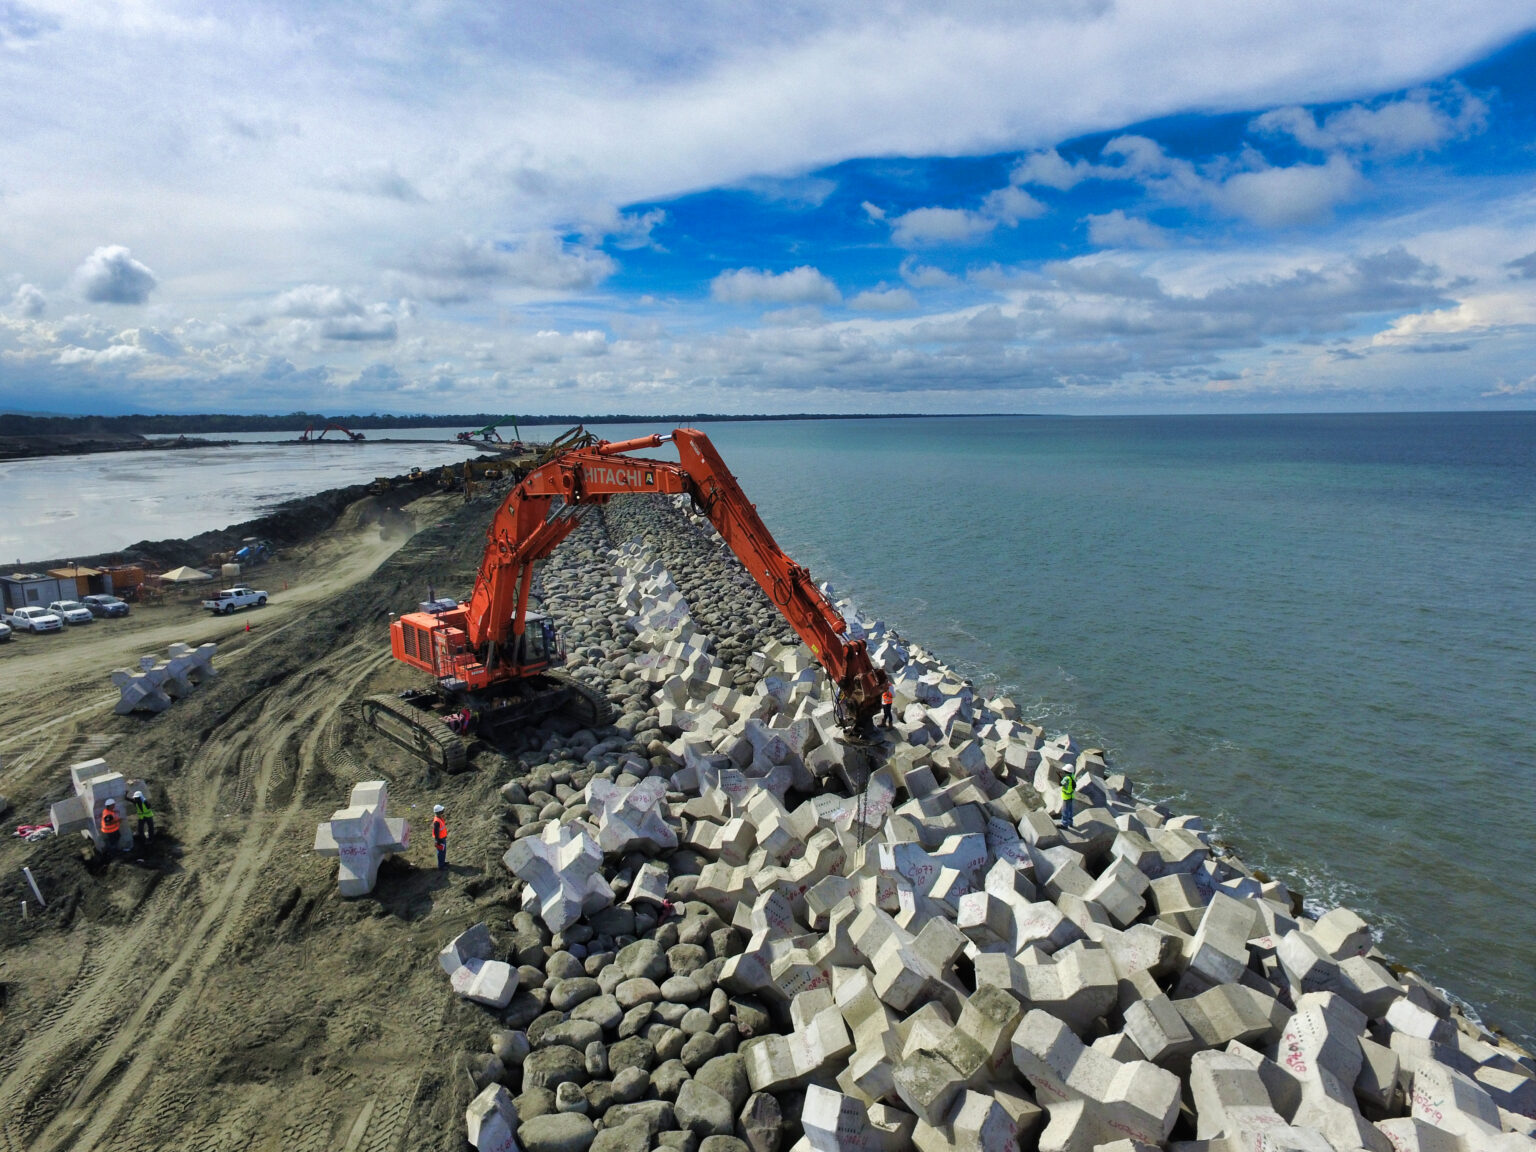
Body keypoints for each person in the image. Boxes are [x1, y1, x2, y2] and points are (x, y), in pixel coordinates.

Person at [431, 804, 448, 870]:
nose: (443, 812)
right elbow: (436, 832)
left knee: (443, 852)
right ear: (439, 812)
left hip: (442, 838)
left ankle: (443, 862)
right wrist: (438, 841)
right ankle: (441, 866)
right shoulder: (437, 822)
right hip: (440, 839)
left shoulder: (439, 818)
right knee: (440, 853)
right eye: (442, 811)